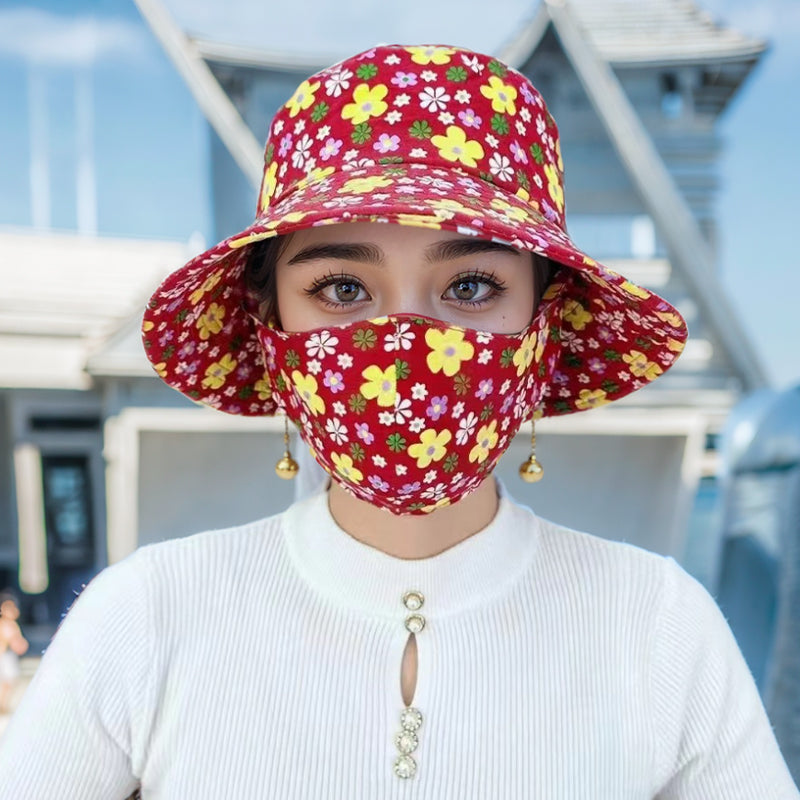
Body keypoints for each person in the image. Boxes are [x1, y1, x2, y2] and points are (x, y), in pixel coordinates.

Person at [0, 43, 796, 799]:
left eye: (472, 286)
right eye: (344, 288)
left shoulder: (659, 624)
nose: (407, 345)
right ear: (267, 319)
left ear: (543, 324)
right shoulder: (146, 616)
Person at [0, 592, 28, 715]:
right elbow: (12, 640)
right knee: (7, 681)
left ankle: (3, 704)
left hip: (8, 655)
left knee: (10, 681)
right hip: (4, 656)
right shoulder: (6, 625)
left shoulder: (12, 624)